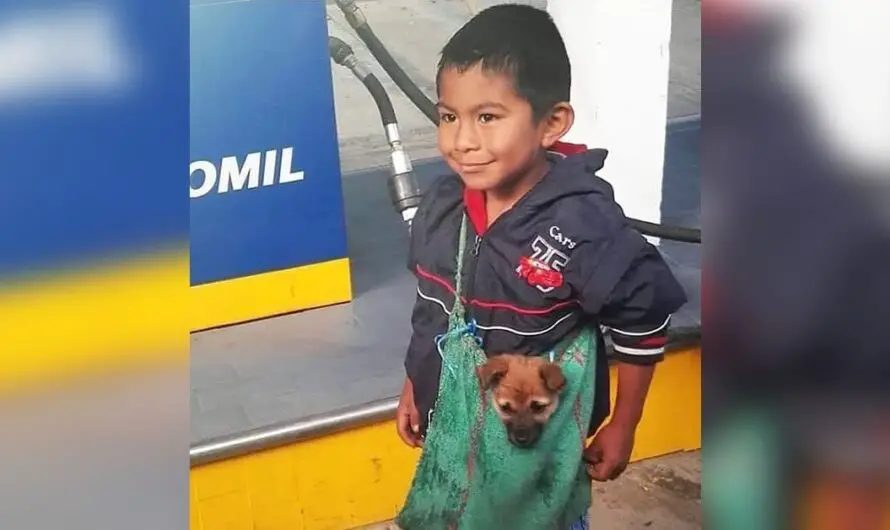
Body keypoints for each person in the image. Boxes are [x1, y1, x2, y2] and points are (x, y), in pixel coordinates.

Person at [395, 3, 688, 523]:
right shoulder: (443, 210)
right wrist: (415, 387)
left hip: (549, 452)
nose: (462, 141)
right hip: (460, 433)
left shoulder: (584, 225)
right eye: (448, 116)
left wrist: (624, 423)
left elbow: (643, 323)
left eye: (487, 117)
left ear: (551, 123)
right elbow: (432, 309)